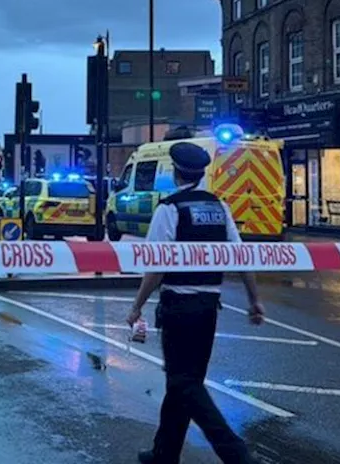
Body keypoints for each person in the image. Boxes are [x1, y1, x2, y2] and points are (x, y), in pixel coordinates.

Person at [127, 141, 265, 464]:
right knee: (184, 383)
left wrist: (136, 306)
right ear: (201, 173)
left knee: (184, 383)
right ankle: (164, 454)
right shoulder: (220, 208)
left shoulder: (169, 209)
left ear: (175, 172)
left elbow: (155, 267)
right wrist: (254, 299)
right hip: (208, 311)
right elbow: (241, 257)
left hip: (179, 309)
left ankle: (237, 455)